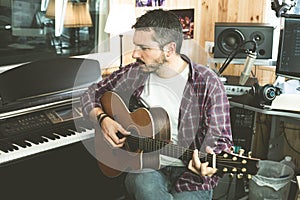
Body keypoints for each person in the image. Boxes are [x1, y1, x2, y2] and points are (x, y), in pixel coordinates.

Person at [80, 9, 233, 200]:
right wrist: (102, 119)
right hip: (145, 167)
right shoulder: (135, 73)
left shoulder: (208, 82)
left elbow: (221, 140)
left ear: (169, 50)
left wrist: (210, 161)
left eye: (144, 48)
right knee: (147, 188)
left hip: (192, 175)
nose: (135, 53)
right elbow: (89, 94)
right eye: (136, 45)